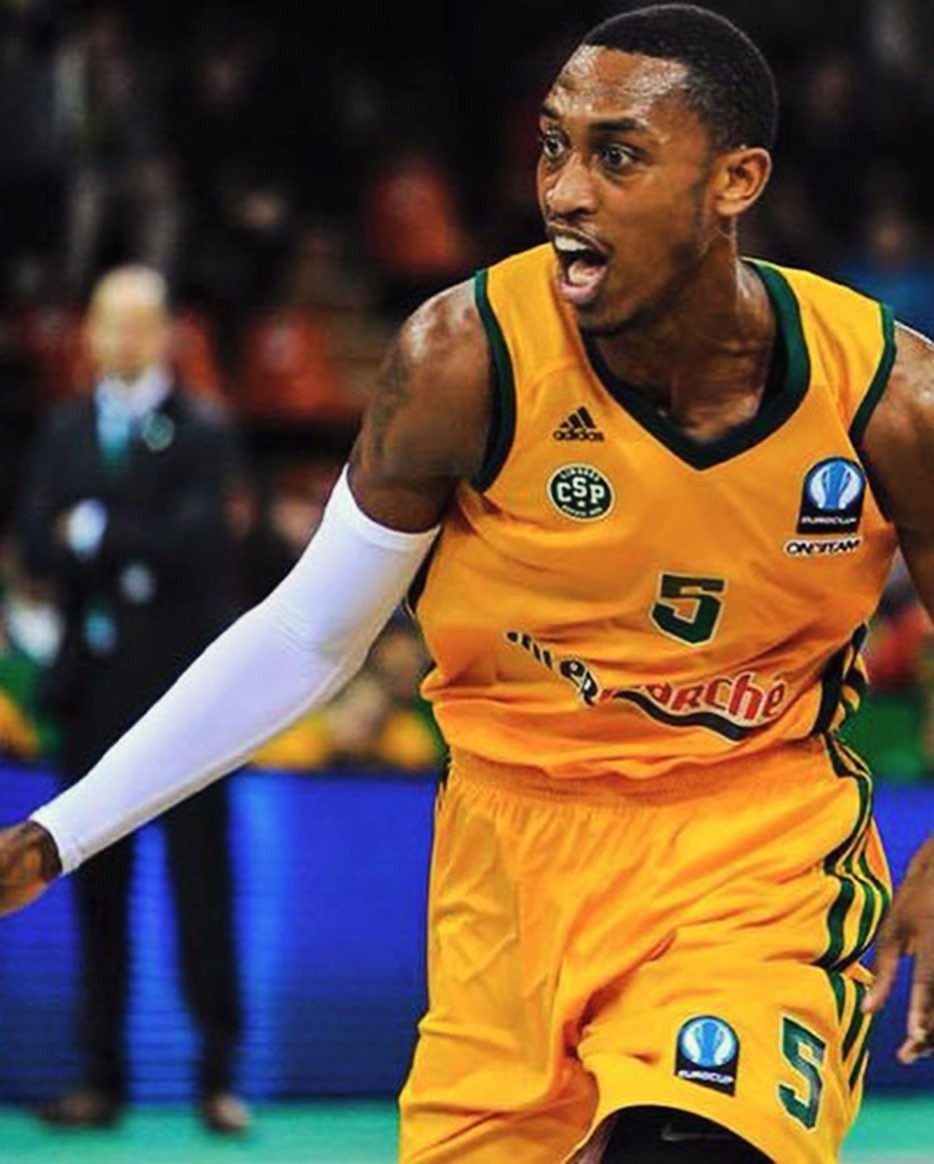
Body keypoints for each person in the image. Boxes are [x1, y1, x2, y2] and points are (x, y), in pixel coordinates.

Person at [1, 6, 933, 1160]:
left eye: (617, 156)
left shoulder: (885, 397)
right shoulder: (463, 359)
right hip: (507, 868)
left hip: (750, 850)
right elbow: (306, 636)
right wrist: (54, 835)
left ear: (734, 180)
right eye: (553, 146)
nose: (565, 191)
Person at [14, 266, 250, 1134]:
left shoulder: (204, 430)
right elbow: (36, 541)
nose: (120, 338)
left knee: (201, 884)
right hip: (91, 694)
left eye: (136, 323)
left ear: (164, 334)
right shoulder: (64, 429)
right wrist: (119, 541)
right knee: (92, 882)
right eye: (106, 322)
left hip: (186, 699)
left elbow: (199, 542)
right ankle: (99, 1078)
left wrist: (96, 531)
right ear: (89, 332)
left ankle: (218, 1077)